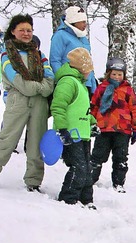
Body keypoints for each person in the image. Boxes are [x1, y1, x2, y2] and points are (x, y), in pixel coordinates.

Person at [0, 14, 54, 192]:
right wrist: (38, 86)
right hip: (17, 101)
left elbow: (50, 81)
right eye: (22, 30)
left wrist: (38, 88)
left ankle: (34, 181)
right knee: (7, 139)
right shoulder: (7, 54)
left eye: (29, 30)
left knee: (36, 143)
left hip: (39, 104)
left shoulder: (40, 54)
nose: (26, 33)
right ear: (13, 32)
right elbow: (18, 81)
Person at [51, 47, 96, 207]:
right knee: (79, 167)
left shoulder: (80, 84)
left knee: (87, 167)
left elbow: (81, 108)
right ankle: (68, 198)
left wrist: (92, 122)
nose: (90, 72)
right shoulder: (68, 82)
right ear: (82, 68)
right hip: (70, 134)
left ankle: (86, 198)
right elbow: (58, 106)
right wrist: (62, 129)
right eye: (89, 69)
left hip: (82, 133)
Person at [89, 57, 136, 193]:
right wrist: (91, 122)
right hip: (104, 128)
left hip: (123, 129)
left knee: (121, 157)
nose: (117, 77)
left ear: (124, 75)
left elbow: (134, 110)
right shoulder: (102, 88)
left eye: (119, 74)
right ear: (108, 74)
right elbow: (94, 106)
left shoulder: (128, 90)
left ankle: (118, 182)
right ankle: (91, 179)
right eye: (114, 74)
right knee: (98, 155)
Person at [49, 6, 96, 94]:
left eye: (85, 21)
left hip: (86, 84)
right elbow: (55, 60)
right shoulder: (60, 35)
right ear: (74, 21)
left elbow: (89, 64)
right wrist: (63, 81)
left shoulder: (83, 38)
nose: (85, 24)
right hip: (70, 83)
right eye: (82, 21)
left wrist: (93, 86)